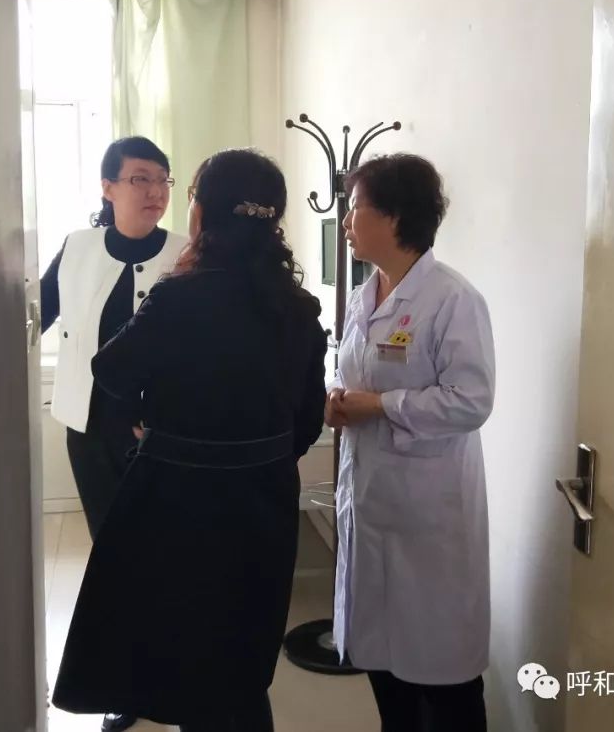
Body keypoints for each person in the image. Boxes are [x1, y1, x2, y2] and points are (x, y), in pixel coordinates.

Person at [51, 149, 328, 731]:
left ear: (203, 213)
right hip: (264, 502)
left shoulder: (180, 295)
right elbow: (307, 421)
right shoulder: (299, 308)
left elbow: (111, 369)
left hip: (180, 501)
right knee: (242, 647)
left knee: (184, 643)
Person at [326, 154, 496, 732]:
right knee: (382, 663)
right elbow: (352, 373)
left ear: (395, 217)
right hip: (370, 500)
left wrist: (380, 406)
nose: (346, 222)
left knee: (444, 678)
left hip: (429, 515)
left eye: (355, 209)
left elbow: (471, 400)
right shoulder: (365, 295)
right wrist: (337, 398)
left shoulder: (452, 299)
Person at [39, 135, 186, 732]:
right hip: (90, 429)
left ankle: (170, 672)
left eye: (162, 179)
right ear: (108, 187)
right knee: (114, 555)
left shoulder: (186, 253)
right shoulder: (77, 247)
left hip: (161, 436)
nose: (155, 191)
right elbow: (38, 312)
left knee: (162, 555)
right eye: (139, 178)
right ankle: (130, 683)